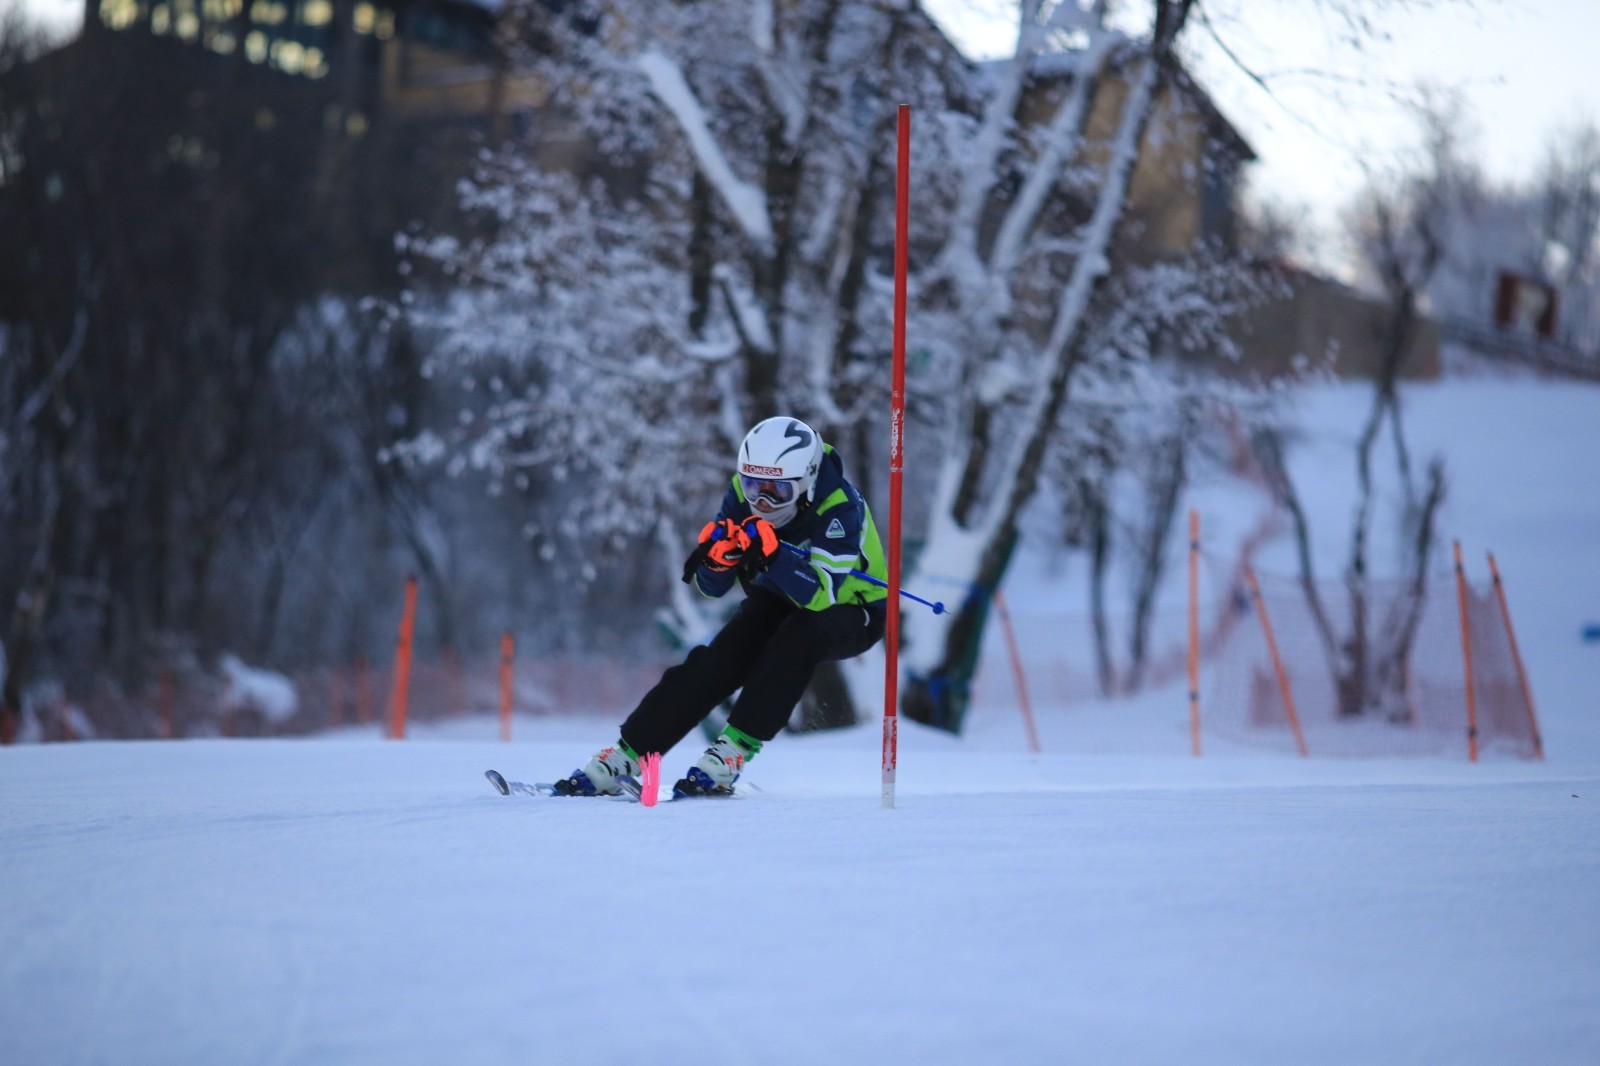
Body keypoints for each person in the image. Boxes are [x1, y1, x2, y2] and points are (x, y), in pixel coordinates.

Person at [555, 416, 888, 797]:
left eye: (776, 491)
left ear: (806, 481)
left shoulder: (838, 506)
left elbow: (822, 596)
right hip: (782, 594)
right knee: (720, 656)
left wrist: (775, 556)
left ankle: (732, 752)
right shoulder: (740, 494)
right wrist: (718, 562)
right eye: (752, 486)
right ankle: (628, 755)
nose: (761, 501)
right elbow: (712, 588)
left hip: (853, 607)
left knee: (797, 638)